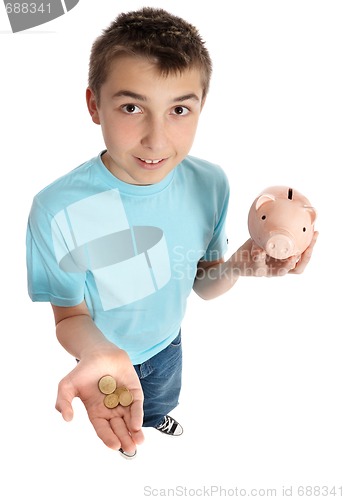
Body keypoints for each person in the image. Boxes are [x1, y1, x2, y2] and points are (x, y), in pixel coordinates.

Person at [26, 7, 317, 459]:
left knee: (159, 397)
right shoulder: (56, 209)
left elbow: (203, 285)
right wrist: (101, 354)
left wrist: (242, 262)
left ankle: (156, 414)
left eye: (179, 109)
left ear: (201, 107)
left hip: (168, 340)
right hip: (101, 351)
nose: (157, 140)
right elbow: (69, 318)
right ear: (93, 105)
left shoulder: (210, 183)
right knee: (121, 407)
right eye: (131, 107)